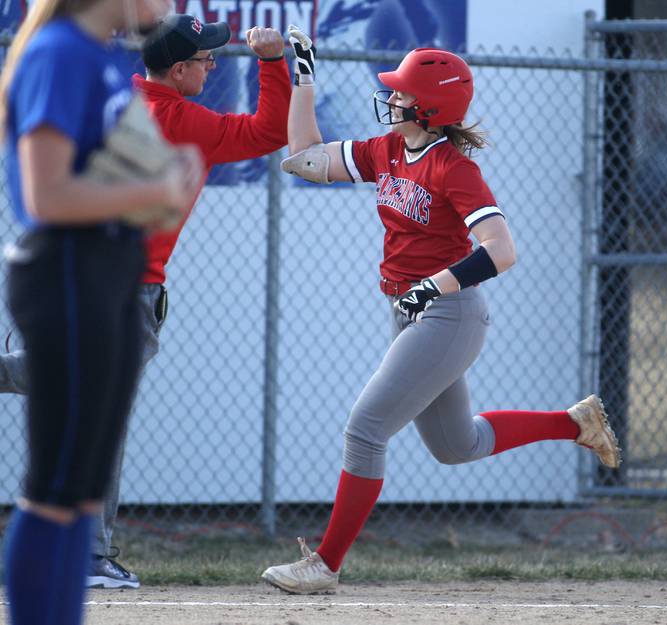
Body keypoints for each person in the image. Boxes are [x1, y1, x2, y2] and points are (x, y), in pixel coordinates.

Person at [260, 27, 622, 595]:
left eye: (403, 92)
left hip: (448, 314)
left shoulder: (455, 169)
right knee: (458, 446)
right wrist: (301, 76)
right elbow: (302, 159)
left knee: (365, 430)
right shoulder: (387, 150)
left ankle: (325, 565)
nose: (393, 97)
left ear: (430, 106)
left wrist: (433, 287)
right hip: (410, 312)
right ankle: (574, 423)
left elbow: (502, 251)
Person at [0, 13, 292, 589]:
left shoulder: (122, 93)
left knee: (74, 402)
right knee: (100, 419)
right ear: (179, 69)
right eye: (205, 59)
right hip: (124, 287)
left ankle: (79, 555)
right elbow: (269, 132)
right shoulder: (185, 119)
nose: (212, 65)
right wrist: (274, 63)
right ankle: (88, 557)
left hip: (71, 271)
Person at [0, 1, 204, 623]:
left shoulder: (99, 57)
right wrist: (159, 188)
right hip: (67, 272)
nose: (170, 6)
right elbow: (48, 193)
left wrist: (154, 189)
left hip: (107, 271)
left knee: (84, 493)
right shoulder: (60, 53)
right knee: (58, 492)